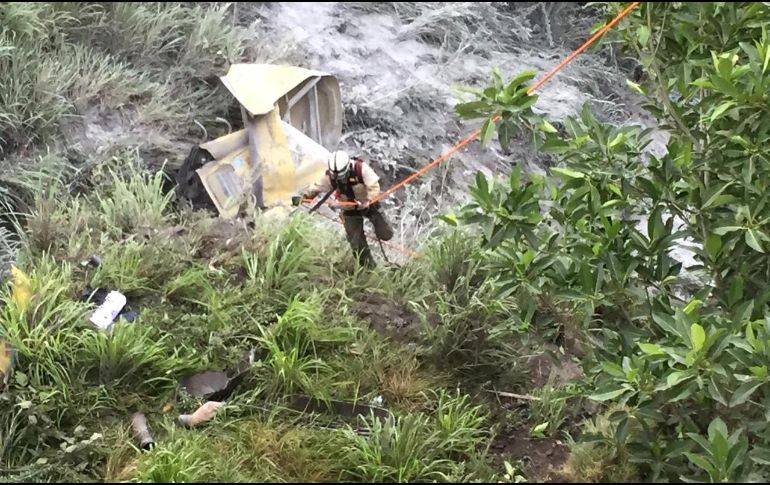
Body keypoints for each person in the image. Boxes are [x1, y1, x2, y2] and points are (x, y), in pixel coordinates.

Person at [301, 150, 394, 268]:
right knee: (356, 242)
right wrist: (303, 198)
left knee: (386, 234)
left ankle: (383, 232)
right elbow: (315, 188)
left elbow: (374, 187)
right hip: (349, 209)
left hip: (369, 204)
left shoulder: (361, 169)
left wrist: (368, 200)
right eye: (335, 175)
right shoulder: (330, 176)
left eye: (340, 175)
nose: (338, 178)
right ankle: (369, 269)